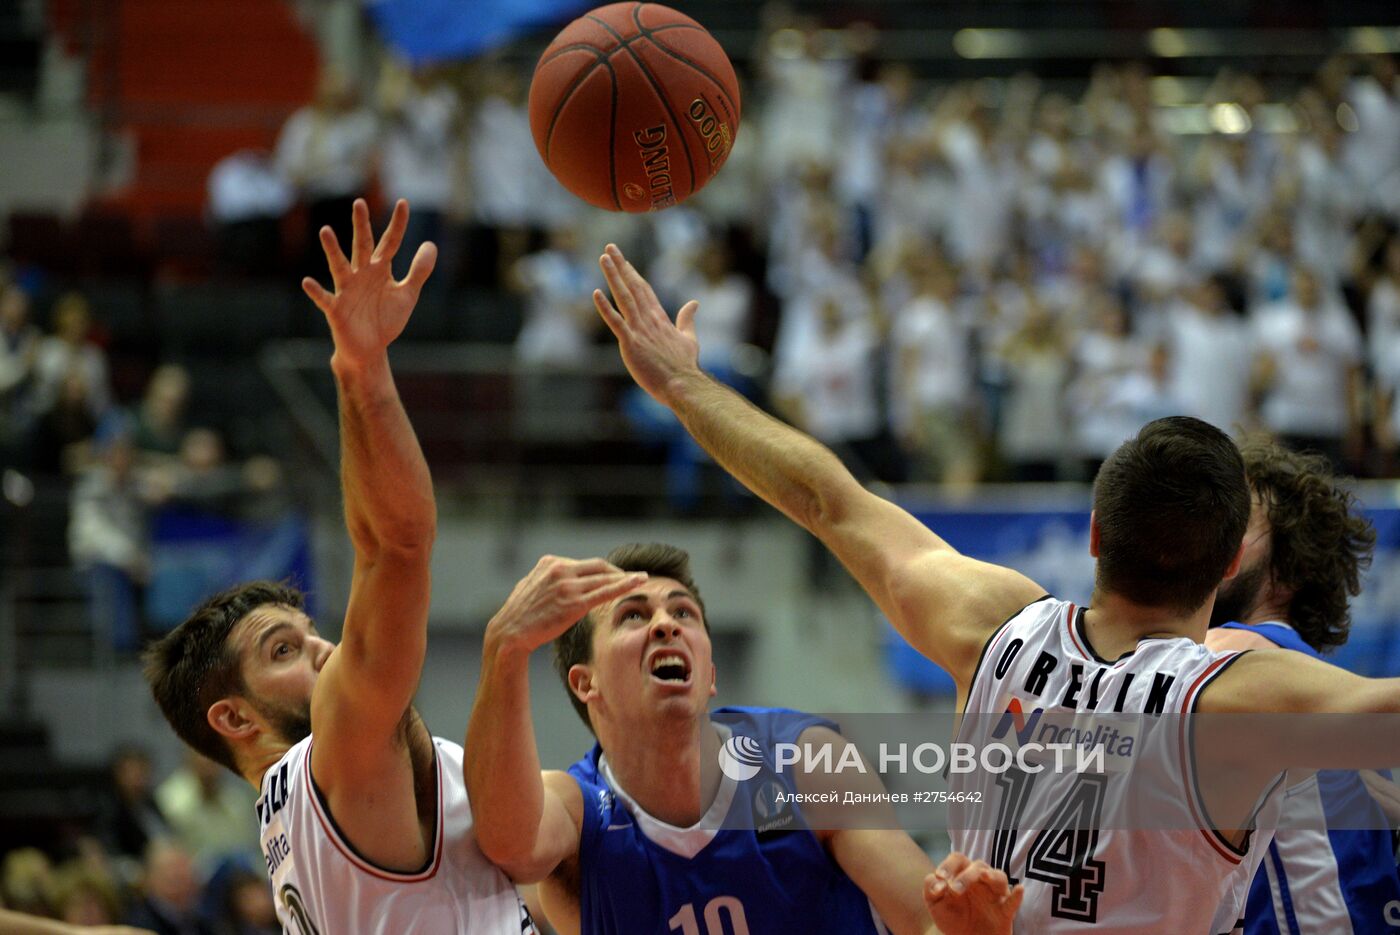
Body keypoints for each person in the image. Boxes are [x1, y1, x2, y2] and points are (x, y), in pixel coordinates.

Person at [588, 244, 1400, 933]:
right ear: (1228, 566)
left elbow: (826, 498)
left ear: (1092, 534)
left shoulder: (996, 626)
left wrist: (684, 389)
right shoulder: (1231, 696)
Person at [142, 199, 532, 933]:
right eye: (283, 650)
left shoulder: (294, 820)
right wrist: (362, 367)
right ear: (234, 715)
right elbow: (395, 545)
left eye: (304, 630)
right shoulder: (336, 755)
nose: (322, 646)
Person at [464, 542, 1022, 935]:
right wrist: (505, 649)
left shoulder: (805, 761)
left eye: (683, 612)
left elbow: (925, 919)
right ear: (586, 684)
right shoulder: (576, 810)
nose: (666, 624)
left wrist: (970, 928)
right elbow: (510, 845)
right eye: (633, 616)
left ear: (710, 675)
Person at [1205, 438, 1400, 934]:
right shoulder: (1312, 681)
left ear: (1288, 572)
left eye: (1237, 524)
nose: (1208, 538)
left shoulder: (1233, 651)